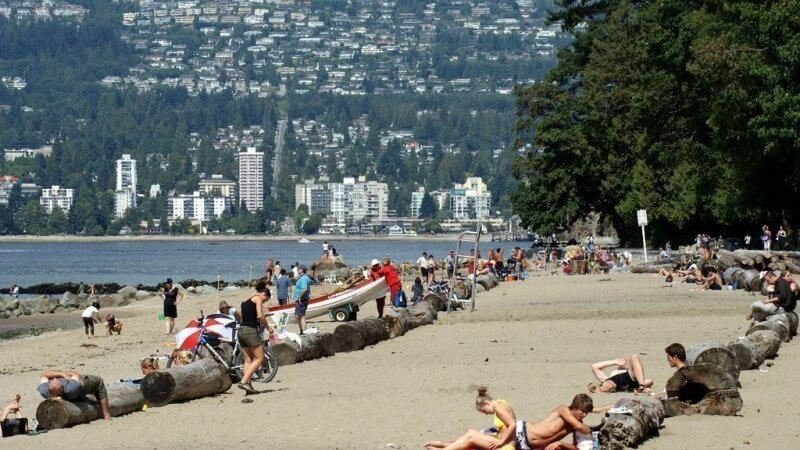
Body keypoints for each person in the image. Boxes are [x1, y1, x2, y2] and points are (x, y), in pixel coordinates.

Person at [425, 394, 595, 450]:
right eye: (583, 411)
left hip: (524, 444)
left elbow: (577, 448)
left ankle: (440, 445)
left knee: (476, 437)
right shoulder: (563, 410)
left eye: (587, 412)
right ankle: (442, 446)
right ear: (576, 406)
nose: (584, 415)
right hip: (520, 433)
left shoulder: (574, 426)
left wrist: (561, 444)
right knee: (475, 438)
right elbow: (583, 428)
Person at [422, 386, 518, 450]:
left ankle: (444, 449)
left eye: (484, 411)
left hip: (506, 447)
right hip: (500, 440)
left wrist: (501, 441)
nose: (486, 414)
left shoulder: (498, 407)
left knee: (471, 440)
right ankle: (443, 445)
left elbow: (512, 424)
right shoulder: (501, 402)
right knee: (471, 432)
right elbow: (505, 427)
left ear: (486, 403)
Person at [237, 280, 276, 395]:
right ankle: (244, 381)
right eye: (266, 300)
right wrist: (268, 327)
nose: (264, 302)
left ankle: (248, 386)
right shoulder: (258, 299)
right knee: (260, 358)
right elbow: (260, 315)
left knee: (248, 359)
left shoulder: (245, 300)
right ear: (264, 294)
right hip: (250, 330)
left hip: (241, 330)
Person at [38, 370, 111, 421]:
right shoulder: (71, 388)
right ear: (61, 390)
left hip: (73, 393)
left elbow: (43, 375)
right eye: (54, 380)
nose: (54, 379)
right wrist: (65, 374)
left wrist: (61, 374)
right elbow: (77, 375)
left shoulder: (44, 390)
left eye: (54, 379)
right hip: (81, 388)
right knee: (99, 382)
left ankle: (87, 398)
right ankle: (106, 415)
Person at [587, 354, 653, 393]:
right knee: (607, 384)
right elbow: (594, 366)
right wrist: (615, 362)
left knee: (634, 357)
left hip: (630, 381)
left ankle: (641, 386)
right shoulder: (610, 376)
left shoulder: (629, 372)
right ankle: (597, 390)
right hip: (615, 383)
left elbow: (650, 381)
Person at [293, 266, 312, 334]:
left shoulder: (303, 278)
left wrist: (299, 297)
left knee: (298, 316)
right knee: (301, 315)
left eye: (298, 269)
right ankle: (302, 331)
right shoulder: (304, 277)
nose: (297, 270)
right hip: (303, 299)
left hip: (301, 300)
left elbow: (304, 289)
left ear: (301, 270)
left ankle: (303, 330)